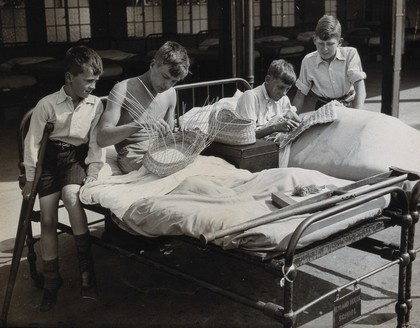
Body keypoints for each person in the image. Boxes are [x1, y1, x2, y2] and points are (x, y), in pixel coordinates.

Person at [23, 45, 104, 312]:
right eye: (89, 80)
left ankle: (85, 269)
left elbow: (96, 144)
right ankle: (51, 279)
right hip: (48, 162)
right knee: (47, 217)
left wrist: (92, 172)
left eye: (96, 80)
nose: (94, 86)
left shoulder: (96, 105)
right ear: (70, 78)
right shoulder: (47, 105)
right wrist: (31, 182)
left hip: (74, 159)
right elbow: (33, 145)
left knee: (71, 197)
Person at [97, 41, 190, 173]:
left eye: (174, 81)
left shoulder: (170, 93)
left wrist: (181, 133)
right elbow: (102, 138)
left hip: (159, 151)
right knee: (165, 173)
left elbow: (168, 136)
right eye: (165, 77)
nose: (167, 85)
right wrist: (138, 124)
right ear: (152, 65)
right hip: (132, 155)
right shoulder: (123, 90)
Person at [292, 15, 367, 113]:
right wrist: (292, 118)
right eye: (320, 43)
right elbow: (300, 94)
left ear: (339, 42)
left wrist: (358, 113)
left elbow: (359, 85)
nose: (325, 49)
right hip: (323, 107)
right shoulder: (308, 61)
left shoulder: (350, 54)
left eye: (330, 44)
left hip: (349, 105)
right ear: (314, 40)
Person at [236, 59, 301, 139]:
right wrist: (274, 128)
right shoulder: (251, 97)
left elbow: (290, 115)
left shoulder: (283, 99)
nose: (284, 93)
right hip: (251, 146)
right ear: (268, 80)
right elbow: (246, 135)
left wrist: (301, 123)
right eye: (280, 87)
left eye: (287, 89)